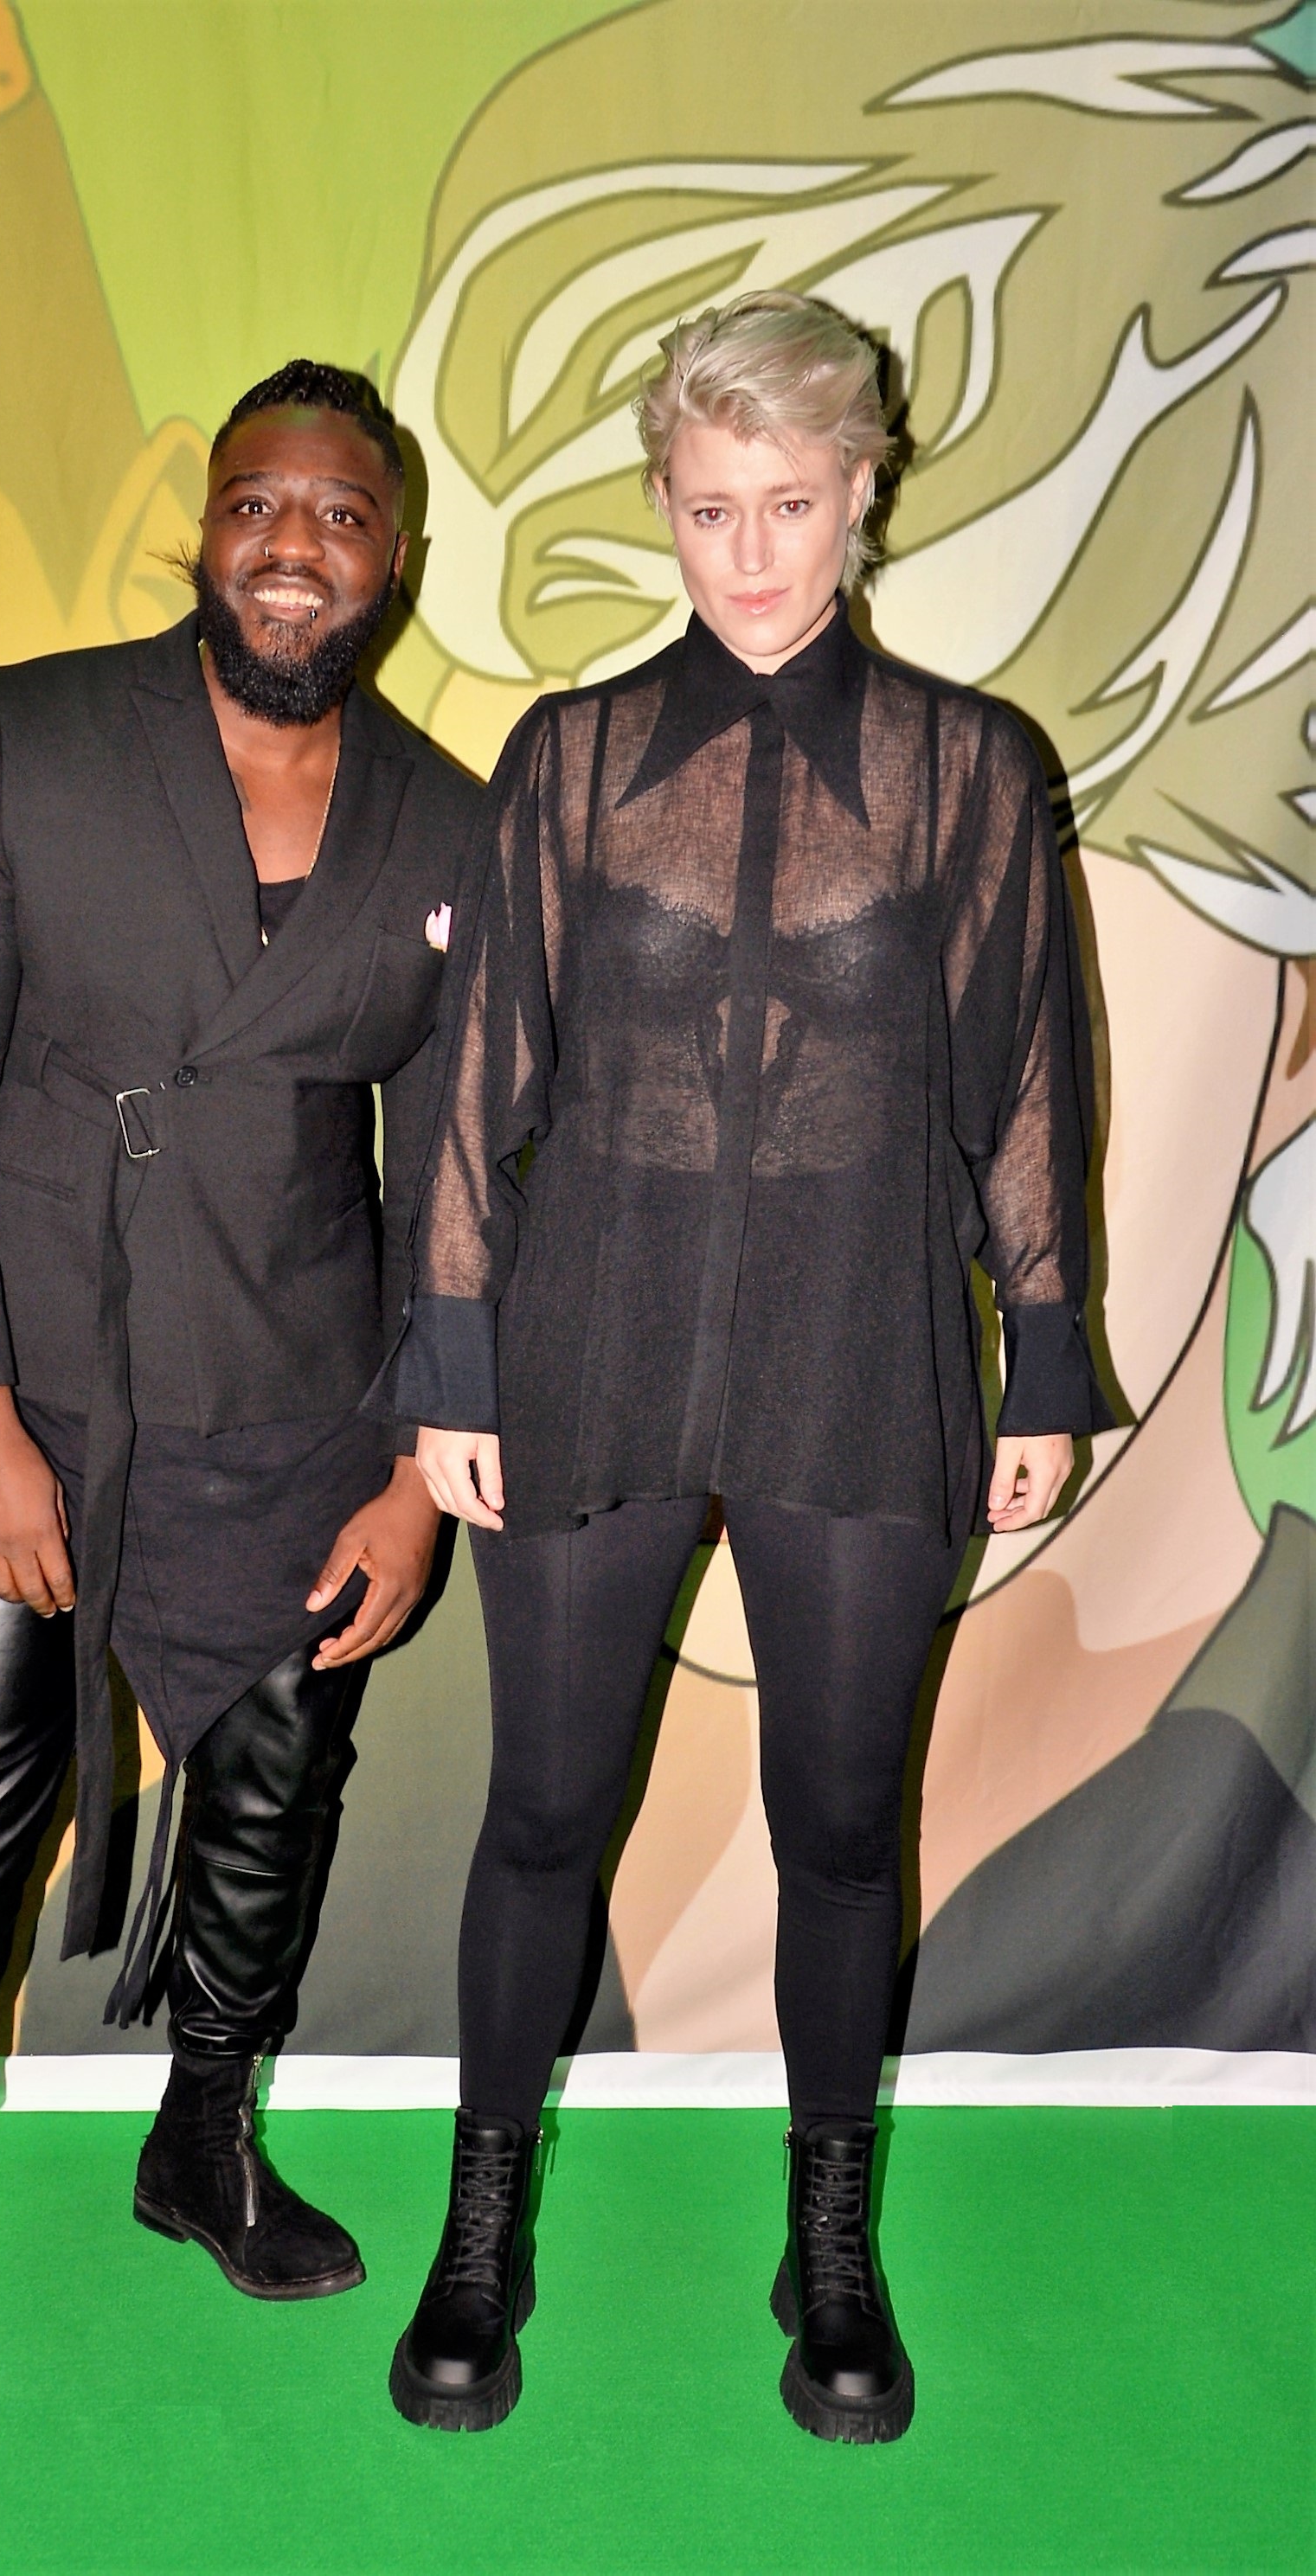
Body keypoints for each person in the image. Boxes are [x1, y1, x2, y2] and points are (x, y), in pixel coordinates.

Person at [385, 292, 1109, 2444]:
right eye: (709, 510)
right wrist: (449, 1356)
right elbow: (477, 1074)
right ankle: (479, 2232)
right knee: (540, 1811)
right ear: (664, 509)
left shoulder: (970, 768)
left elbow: (1027, 1081)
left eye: (788, 503)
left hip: (861, 1347)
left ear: (860, 494)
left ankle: (830, 2247)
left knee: (837, 1824)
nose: (751, 554)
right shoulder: (570, 758)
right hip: (586, 1339)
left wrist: (1045, 1359)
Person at [0, 362, 480, 2443]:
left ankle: (205, 2140)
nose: (291, 542)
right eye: (256, 501)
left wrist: (416, 1467)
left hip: (304, 1400)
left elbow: (455, 1172)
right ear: (203, 528)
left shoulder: (452, 819)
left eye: (337, 513)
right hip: (44, 1388)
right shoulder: (21, 734)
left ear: (391, 557)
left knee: (270, 1803)